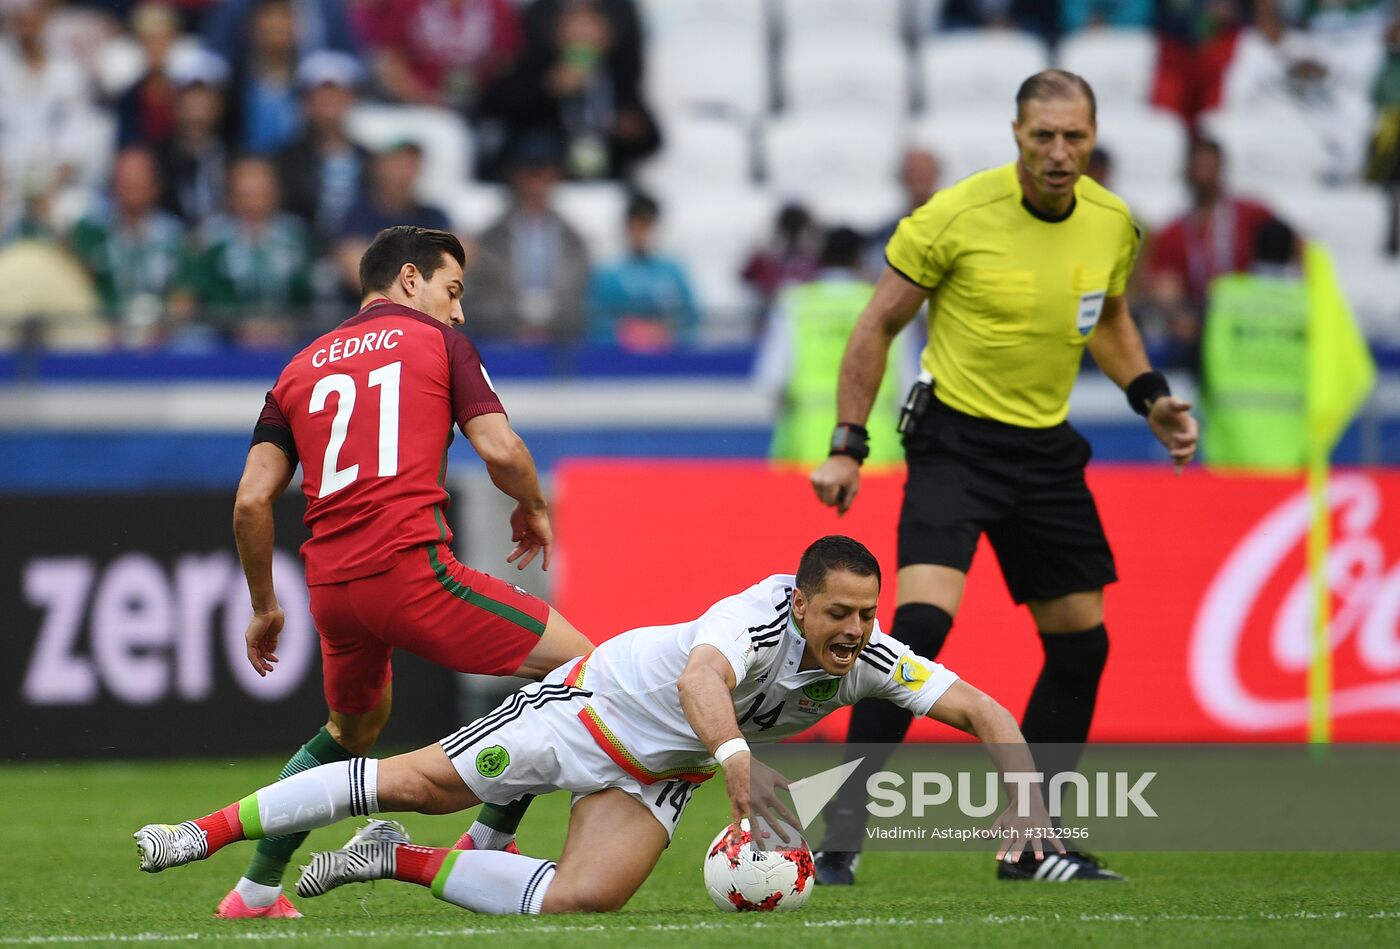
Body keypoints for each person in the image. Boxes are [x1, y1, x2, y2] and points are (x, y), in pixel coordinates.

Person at [135, 536, 1061, 916]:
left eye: (867, 615)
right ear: (801, 599)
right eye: (840, 615)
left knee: (585, 898)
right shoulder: (758, 616)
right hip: (593, 708)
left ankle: (394, 857)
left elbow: (984, 707)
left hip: (667, 767)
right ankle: (203, 831)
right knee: (417, 779)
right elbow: (705, 677)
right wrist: (737, 756)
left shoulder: (870, 657)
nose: (855, 632)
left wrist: (1028, 811)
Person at [807, 70, 1199, 885]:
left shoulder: (1112, 223)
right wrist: (849, 441)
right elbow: (877, 321)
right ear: (1016, 134)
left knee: (1082, 645)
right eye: (1043, 137)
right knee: (915, 633)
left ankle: (1031, 843)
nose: (1059, 153)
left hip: (1046, 450)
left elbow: (1112, 317)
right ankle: (836, 835)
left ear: (1093, 137)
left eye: (1074, 138)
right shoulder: (954, 216)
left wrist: (1150, 395)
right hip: (954, 442)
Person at [203, 225, 593, 918]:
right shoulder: (438, 342)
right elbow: (500, 449)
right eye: (454, 290)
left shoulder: (297, 369)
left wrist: (264, 604)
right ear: (409, 280)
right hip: (412, 576)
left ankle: (256, 890)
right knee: (581, 673)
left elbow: (251, 500)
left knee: (351, 731)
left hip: (332, 591)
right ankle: (487, 839)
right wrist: (532, 504)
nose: (461, 310)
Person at [756, 226, 909, 466]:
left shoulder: (795, 304)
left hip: (805, 444)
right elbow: (906, 385)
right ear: (859, 259)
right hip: (875, 446)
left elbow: (772, 380)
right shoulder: (886, 304)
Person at [1145, 137, 1279, 374]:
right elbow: (1164, 285)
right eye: (1198, 167)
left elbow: (1297, 251)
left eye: (1209, 166)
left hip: (1251, 324)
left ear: (1221, 168)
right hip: (1201, 330)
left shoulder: (1252, 214)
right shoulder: (1174, 231)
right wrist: (1178, 316)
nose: (1203, 175)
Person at [465, 133, 590, 343]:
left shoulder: (574, 240)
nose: (536, 184)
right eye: (530, 175)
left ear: (554, 177)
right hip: (504, 338)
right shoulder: (490, 239)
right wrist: (516, 326)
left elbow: (579, 296)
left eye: (543, 175)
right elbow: (482, 296)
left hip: (561, 340)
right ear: (516, 177)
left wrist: (552, 327)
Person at [68, 148, 186, 336]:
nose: (130, 183)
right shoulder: (90, 231)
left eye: (138, 177)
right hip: (104, 331)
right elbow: (77, 287)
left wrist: (161, 328)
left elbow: (184, 293)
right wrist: (105, 326)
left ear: (155, 185)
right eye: (123, 177)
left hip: (162, 335)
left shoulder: (174, 235)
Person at [275, 51, 372, 247]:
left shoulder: (369, 159)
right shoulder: (285, 159)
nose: (328, 104)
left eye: (336, 96)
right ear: (305, 103)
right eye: (320, 96)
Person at [585, 191, 700, 350]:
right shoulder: (609, 274)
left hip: (667, 358)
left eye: (646, 226)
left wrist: (665, 330)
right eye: (635, 226)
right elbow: (594, 317)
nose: (640, 234)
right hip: (620, 359)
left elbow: (691, 315)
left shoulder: (672, 271)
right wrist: (626, 330)